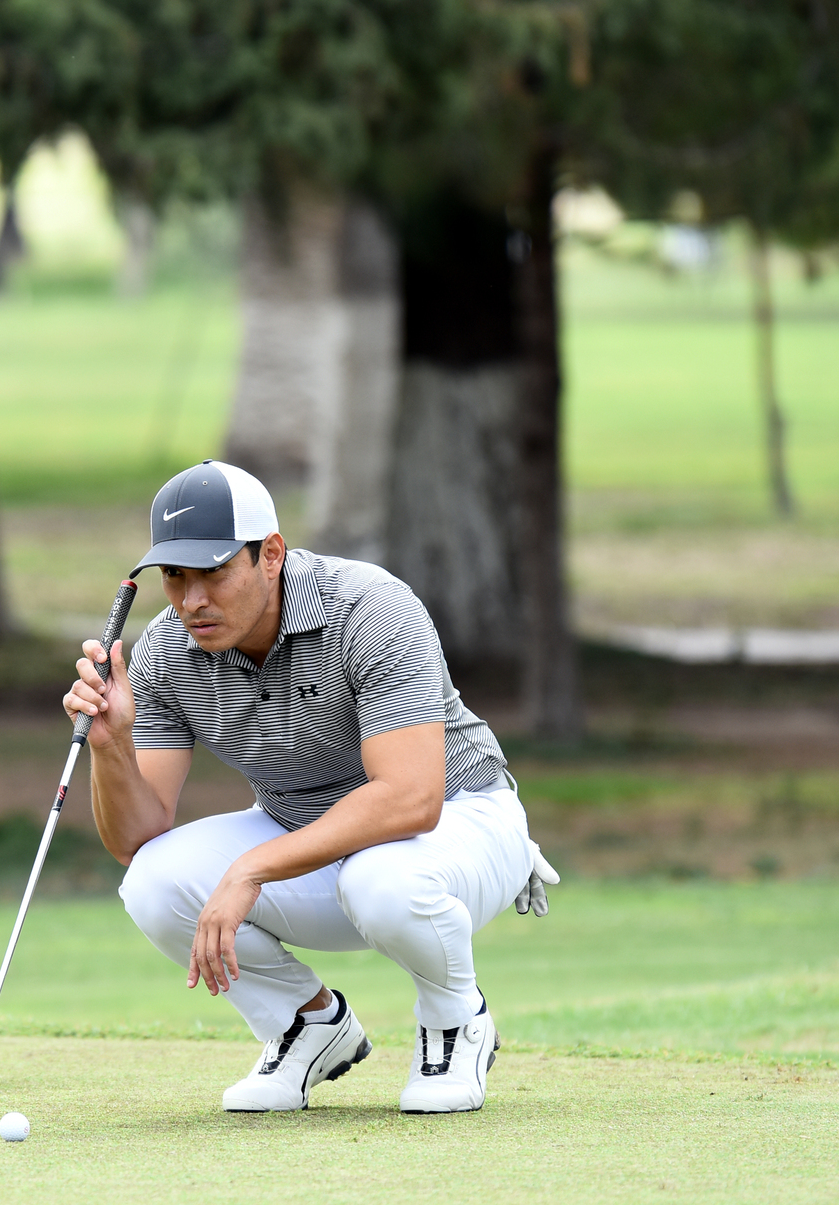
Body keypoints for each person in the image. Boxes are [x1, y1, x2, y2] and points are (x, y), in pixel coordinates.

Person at [63, 460, 559, 1114]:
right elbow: (137, 838)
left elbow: (412, 798)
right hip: (310, 837)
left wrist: (251, 870)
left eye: (213, 572)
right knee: (155, 881)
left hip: (460, 825)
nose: (191, 601)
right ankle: (306, 1026)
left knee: (381, 880)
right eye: (174, 578)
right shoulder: (161, 653)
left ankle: (455, 1018)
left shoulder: (370, 608)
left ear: (271, 556)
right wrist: (112, 747)